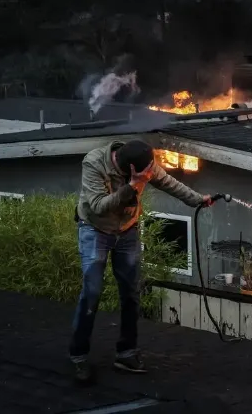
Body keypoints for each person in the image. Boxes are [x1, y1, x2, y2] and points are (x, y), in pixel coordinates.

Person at [69, 139, 214, 383]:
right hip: (95, 231)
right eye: (145, 173)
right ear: (130, 170)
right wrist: (133, 186)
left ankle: (126, 353)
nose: (150, 174)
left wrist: (198, 199)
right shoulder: (95, 163)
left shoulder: (143, 164)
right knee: (91, 293)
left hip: (127, 232)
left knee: (131, 293)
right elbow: (97, 206)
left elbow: (169, 182)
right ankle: (79, 356)